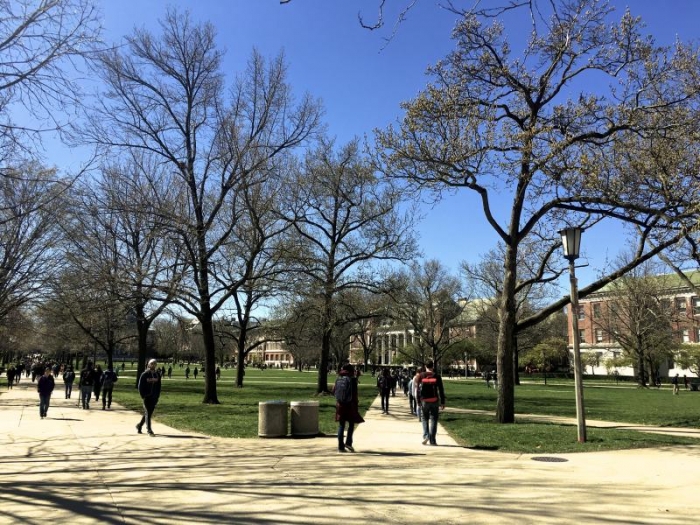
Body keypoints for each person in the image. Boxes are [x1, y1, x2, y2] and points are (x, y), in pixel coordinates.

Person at [333, 363, 364, 452]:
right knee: (351, 424)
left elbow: (334, 391)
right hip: (350, 405)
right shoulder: (352, 380)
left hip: (340, 405)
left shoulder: (338, 379)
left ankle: (340, 447)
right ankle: (348, 443)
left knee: (341, 425)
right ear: (350, 371)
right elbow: (354, 394)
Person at [416, 359, 446, 446]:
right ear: (433, 366)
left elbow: (418, 390)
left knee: (425, 418)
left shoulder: (421, 376)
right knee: (434, 419)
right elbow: (441, 390)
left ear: (425, 366)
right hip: (434, 400)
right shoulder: (437, 376)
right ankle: (432, 440)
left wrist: (418, 401)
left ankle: (426, 435)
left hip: (424, 400)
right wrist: (442, 402)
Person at [136, 358, 162, 436]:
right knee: (147, 412)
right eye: (152, 363)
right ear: (148, 364)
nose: (153, 365)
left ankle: (139, 426)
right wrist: (143, 395)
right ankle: (149, 430)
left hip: (154, 397)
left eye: (155, 364)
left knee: (148, 413)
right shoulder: (144, 374)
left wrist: (157, 396)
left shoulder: (157, 375)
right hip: (147, 397)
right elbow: (140, 386)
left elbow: (159, 386)